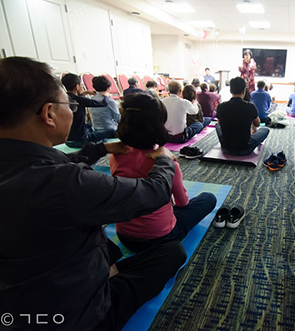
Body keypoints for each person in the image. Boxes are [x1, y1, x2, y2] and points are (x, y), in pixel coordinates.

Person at [0, 56, 186, 330]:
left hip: (16, 307)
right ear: (48, 113)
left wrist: (101, 149)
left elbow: (56, 165)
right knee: (173, 252)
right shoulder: (67, 183)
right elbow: (154, 192)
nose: (73, 111)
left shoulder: (37, 169)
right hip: (79, 315)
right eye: (71, 105)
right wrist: (163, 159)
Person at [110, 93, 216, 251]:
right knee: (208, 198)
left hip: (125, 237)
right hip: (161, 238)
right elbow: (183, 202)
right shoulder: (166, 162)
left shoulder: (115, 155)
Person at [216, 77, 269, 156]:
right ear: (244, 90)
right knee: (265, 130)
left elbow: (220, 123)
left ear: (230, 91)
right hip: (245, 149)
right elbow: (257, 124)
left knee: (217, 125)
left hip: (226, 147)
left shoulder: (221, 106)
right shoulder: (250, 106)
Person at [61, 73, 114, 148]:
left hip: (67, 140)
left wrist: (84, 93)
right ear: (77, 86)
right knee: (111, 131)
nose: (82, 86)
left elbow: (75, 98)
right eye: (81, 84)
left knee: (88, 126)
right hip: (81, 140)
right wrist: (106, 96)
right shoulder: (80, 100)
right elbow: (103, 103)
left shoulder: (63, 98)